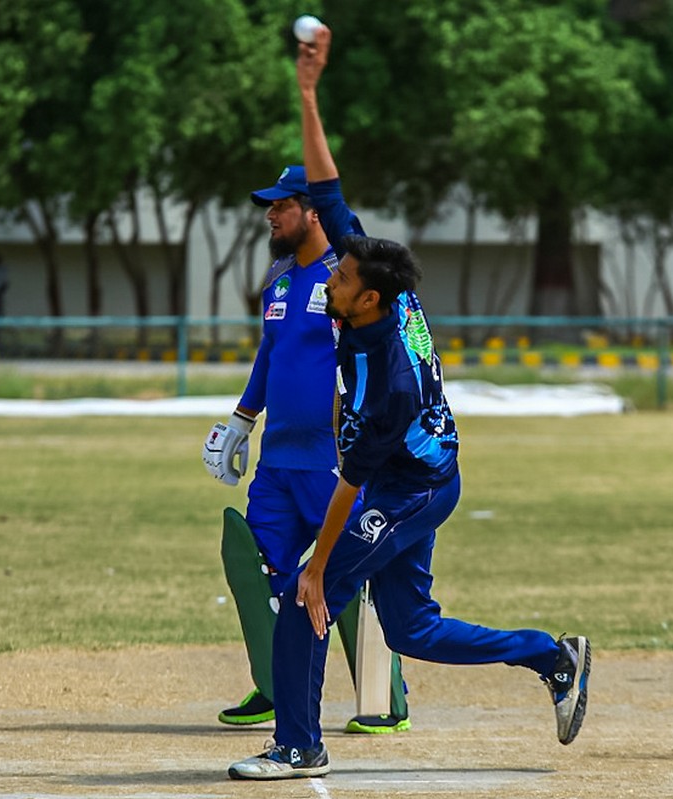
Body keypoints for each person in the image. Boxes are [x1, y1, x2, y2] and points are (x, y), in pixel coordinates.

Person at [227, 25, 591, 781]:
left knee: (306, 594)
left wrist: (319, 566)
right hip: (420, 474)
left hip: (411, 486)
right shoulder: (376, 284)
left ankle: (298, 745)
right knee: (414, 630)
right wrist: (307, 91)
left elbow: (353, 481)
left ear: (367, 298)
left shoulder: (384, 380)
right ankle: (552, 656)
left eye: (339, 278)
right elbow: (327, 188)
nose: (330, 278)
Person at [201, 136, 410, 734]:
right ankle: (274, 684)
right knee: (256, 565)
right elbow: (272, 354)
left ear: (311, 212)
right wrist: (242, 420)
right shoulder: (278, 278)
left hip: (332, 460)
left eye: (281, 205)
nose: (271, 215)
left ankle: (383, 698)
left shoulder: (349, 277)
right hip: (278, 460)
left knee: (347, 568)